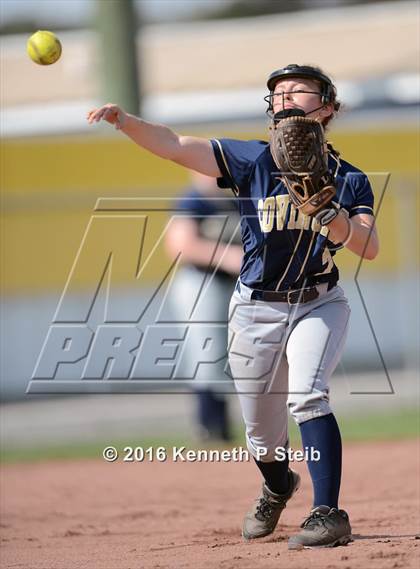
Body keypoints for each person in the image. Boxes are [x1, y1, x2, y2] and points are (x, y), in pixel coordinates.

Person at [87, 63, 379, 549]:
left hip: (318, 303)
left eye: (297, 90)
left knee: (308, 397)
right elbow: (177, 146)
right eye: (277, 92)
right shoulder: (253, 161)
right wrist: (126, 122)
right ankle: (278, 483)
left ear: (327, 107)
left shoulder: (349, 178)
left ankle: (328, 513)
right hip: (256, 309)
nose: (284, 97)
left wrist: (330, 216)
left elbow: (367, 246)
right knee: (262, 438)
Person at [164, 171, 242, 441]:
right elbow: (180, 245)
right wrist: (228, 256)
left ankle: (223, 428)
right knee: (207, 353)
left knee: (234, 357)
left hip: (234, 284)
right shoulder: (194, 200)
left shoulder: (236, 200)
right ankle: (209, 426)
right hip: (201, 282)